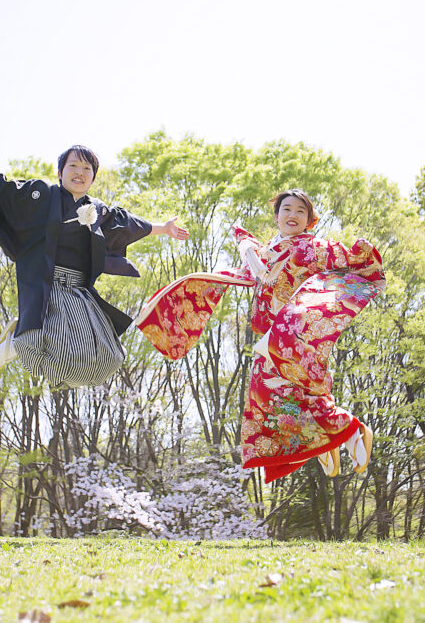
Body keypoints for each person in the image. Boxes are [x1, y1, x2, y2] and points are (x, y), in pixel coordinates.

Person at [134, 189, 384, 482]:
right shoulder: (264, 251)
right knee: (272, 396)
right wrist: (200, 276)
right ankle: (319, 445)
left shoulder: (313, 249)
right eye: (286, 209)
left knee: (298, 385)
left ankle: (351, 430)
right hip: (271, 333)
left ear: (310, 221)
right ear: (277, 216)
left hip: (297, 330)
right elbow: (244, 273)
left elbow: (353, 261)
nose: (292, 215)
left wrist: (361, 251)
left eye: (300, 211)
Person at [0, 142, 188, 388]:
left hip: (78, 293)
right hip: (45, 288)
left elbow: (129, 225)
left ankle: (30, 341)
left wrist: (164, 228)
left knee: (109, 359)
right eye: (73, 166)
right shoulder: (40, 195)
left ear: (93, 177)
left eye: (87, 169)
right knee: (39, 351)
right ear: (60, 172)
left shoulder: (98, 210)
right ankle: (17, 337)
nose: (80, 172)